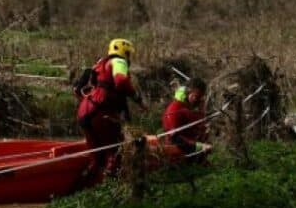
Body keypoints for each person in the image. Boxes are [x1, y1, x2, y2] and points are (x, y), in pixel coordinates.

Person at [76, 38, 145, 176]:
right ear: (123, 52)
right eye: (128, 53)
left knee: (97, 154)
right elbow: (121, 81)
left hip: (84, 111)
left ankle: (88, 178)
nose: (129, 57)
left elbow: (82, 89)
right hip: (101, 113)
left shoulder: (100, 64)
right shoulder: (119, 61)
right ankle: (112, 180)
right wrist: (137, 98)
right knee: (115, 149)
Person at [162, 78, 211, 157]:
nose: (198, 100)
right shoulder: (175, 109)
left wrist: (202, 109)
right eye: (197, 96)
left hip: (191, 155)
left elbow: (200, 126)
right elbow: (175, 139)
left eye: (201, 97)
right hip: (177, 157)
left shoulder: (187, 108)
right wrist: (200, 147)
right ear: (188, 92)